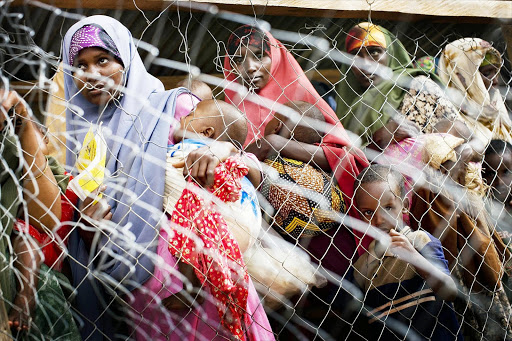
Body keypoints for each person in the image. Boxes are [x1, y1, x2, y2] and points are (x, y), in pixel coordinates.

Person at [61, 16, 271, 340]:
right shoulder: (82, 141)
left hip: (199, 275)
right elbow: (90, 226)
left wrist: (215, 153)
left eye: (102, 60)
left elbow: (241, 155)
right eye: (80, 65)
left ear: (126, 61)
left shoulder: (172, 107)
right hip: (138, 292)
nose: (91, 74)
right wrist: (89, 228)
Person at [223, 24, 369, 337]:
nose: (249, 66)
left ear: (276, 57)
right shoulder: (227, 109)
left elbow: (346, 154)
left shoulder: (300, 94)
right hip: (264, 233)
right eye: (239, 58)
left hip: (324, 231)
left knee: (339, 314)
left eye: (260, 56)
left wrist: (278, 145)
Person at [0, 88, 80, 339]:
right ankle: (27, 295)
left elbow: (55, 214)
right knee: (24, 240)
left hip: (54, 258)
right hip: (30, 247)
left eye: (38, 138)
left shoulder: (63, 178)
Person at [352, 164, 461, 340]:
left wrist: (414, 257)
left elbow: (450, 291)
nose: (379, 220)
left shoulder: (420, 241)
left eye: (387, 207)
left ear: (404, 206)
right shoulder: (362, 265)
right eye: (368, 212)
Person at [335, 22, 460, 150]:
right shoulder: (347, 103)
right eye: (355, 55)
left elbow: (460, 136)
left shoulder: (417, 86)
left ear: (391, 54)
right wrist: (376, 141)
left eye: (374, 52)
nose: (365, 64)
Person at [439, 38, 512, 146]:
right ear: (460, 76)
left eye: (496, 72)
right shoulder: (447, 116)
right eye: (487, 73)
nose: (496, 81)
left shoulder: (496, 107)